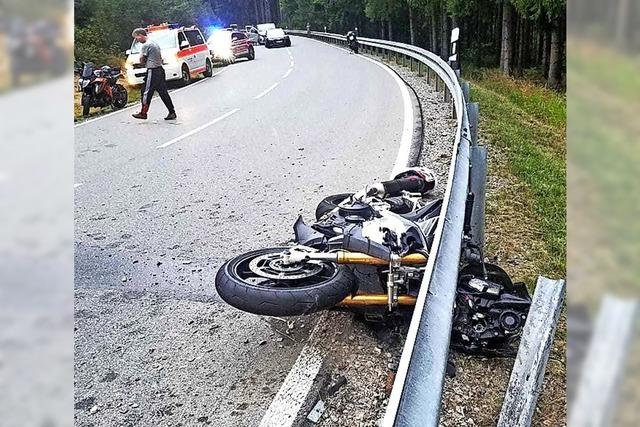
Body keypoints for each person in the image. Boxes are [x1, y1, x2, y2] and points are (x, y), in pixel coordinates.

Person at [131, 28, 176, 120]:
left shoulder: (146, 45)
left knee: (145, 92)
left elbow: (142, 59)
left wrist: (141, 62)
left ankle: (143, 113)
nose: (137, 40)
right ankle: (172, 112)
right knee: (163, 92)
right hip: (159, 69)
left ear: (141, 35)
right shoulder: (154, 43)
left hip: (152, 70)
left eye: (137, 38)